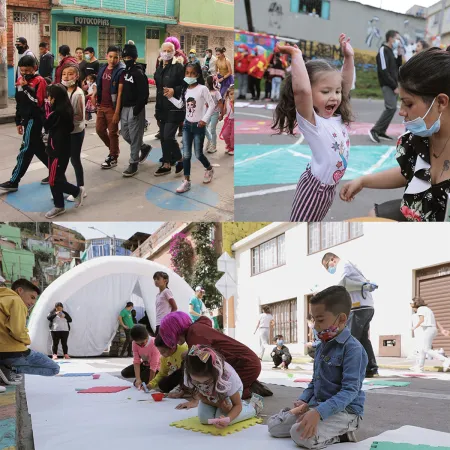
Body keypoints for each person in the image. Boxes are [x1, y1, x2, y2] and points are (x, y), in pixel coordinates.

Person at [341, 48, 450, 222]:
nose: (401, 112)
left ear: (441, 102)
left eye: (408, 104)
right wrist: (363, 181)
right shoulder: (419, 140)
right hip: (417, 211)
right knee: (373, 216)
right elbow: (409, 171)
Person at [267, 286, 367, 447]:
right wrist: (303, 400)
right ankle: (318, 423)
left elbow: (350, 391)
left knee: (299, 434)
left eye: (320, 320)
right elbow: (315, 382)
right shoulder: (322, 346)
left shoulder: (353, 349)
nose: (315, 326)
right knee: (274, 427)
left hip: (345, 412)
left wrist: (319, 413)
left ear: (342, 319)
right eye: (313, 320)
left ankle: (343, 435)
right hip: (316, 405)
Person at [272, 34, 355, 221]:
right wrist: (296, 55)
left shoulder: (336, 116)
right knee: (301, 225)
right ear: (311, 92)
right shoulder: (312, 122)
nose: (334, 96)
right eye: (325, 92)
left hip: (328, 189)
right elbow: (302, 90)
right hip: (314, 189)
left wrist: (348, 57)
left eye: (337, 91)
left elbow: (346, 83)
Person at [159, 311, 272, 402]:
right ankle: (249, 385)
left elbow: (202, 362)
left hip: (246, 365)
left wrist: (186, 392)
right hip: (245, 362)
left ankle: (250, 389)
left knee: (220, 397)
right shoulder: (195, 329)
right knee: (213, 393)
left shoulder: (194, 334)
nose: (177, 342)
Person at [321, 252, 379, 377]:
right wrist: (363, 286)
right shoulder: (350, 268)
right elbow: (347, 286)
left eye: (327, 266)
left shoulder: (343, 264)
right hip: (367, 306)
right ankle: (371, 369)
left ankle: (351, 370)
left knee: (351, 339)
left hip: (358, 308)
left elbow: (340, 285)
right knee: (363, 339)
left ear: (332, 259)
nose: (328, 269)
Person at [179, 345, 264, 428]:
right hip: (211, 396)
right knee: (205, 419)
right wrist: (218, 404)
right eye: (197, 382)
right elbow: (201, 397)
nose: (202, 385)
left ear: (215, 374)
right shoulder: (189, 374)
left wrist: (229, 419)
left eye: (207, 381)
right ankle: (220, 408)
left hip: (228, 394)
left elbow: (237, 405)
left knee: (225, 419)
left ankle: (253, 407)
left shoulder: (227, 378)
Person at [0, 56, 49, 193]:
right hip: (26, 119)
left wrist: (26, 87)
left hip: (35, 119)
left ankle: (14, 181)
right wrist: (18, 121)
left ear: (35, 68)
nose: (24, 74)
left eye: (27, 71)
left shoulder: (40, 81)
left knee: (26, 150)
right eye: (22, 71)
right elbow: (19, 102)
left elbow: (38, 103)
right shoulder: (20, 81)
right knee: (38, 148)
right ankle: (55, 172)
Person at [0, 279, 60, 385]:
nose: (32, 302)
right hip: (11, 352)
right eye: (32, 297)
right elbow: (17, 331)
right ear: (20, 291)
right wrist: (27, 340)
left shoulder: (4, 299)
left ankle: (7, 368)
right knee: (54, 369)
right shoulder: (16, 301)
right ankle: (11, 369)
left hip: (3, 350)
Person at [168, 63, 215, 193]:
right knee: (186, 155)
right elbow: (179, 105)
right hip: (187, 126)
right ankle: (186, 181)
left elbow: (211, 105)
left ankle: (209, 168)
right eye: (187, 73)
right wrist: (170, 97)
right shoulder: (185, 90)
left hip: (199, 126)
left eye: (192, 73)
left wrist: (204, 120)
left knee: (198, 154)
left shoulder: (202, 89)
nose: (189, 75)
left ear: (197, 75)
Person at [44, 84, 85, 218]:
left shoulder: (58, 113)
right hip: (54, 150)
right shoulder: (62, 110)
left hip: (58, 152)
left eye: (49, 96)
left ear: (54, 98)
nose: (47, 98)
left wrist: (47, 110)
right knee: (55, 177)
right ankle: (59, 205)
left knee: (54, 180)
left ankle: (76, 191)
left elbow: (47, 124)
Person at [120, 40, 152, 177]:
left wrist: (137, 109)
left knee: (134, 136)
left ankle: (133, 163)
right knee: (125, 134)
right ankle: (143, 147)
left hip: (135, 108)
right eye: (125, 58)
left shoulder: (139, 73)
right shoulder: (124, 71)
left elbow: (144, 94)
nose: (127, 60)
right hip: (124, 108)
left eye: (129, 58)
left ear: (134, 58)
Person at [154, 41, 185, 175]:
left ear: (174, 52)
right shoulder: (159, 66)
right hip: (161, 107)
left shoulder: (178, 67)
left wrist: (174, 90)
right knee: (163, 137)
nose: (166, 53)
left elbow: (186, 85)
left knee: (168, 136)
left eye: (169, 51)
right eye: (164, 50)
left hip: (174, 107)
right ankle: (166, 163)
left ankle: (180, 158)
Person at [60, 65, 87, 203]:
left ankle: (80, 188)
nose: (66, 76)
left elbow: (79, 117)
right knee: (64, 160)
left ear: (76, 77)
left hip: (75, 132)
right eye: (64, 74)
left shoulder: (78, 94)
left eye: (70, 74)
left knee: (75, 159)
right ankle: (62, 188)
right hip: (65, 132)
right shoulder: (63, 91)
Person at [368, 30, 401, 143]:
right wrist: (393, 86)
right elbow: (383, 70)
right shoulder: (383, 50)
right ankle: (375, 130)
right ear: (391, 38)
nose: (399, 41)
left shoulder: (391, 51)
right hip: (388, 84)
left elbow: (397, 67)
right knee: (391, 107)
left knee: (392, 108)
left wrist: (400, 54)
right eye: (397, 38)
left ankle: (381, 131)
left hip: (394, 84)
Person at [97, 46, 126, 169]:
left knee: (113, 132)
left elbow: (120, 93)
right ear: (106, 56)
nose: (112, 60)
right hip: (101, 105)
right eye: (110, 56)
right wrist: (94, 94)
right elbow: (99, 85)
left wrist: (117, 112)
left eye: (116, 57)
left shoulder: (121, 71)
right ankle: (113, 150)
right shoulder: (103, 68)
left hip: (112, 107)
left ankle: (113, 156)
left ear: (119, 58)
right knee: (99, 130)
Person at [410, 297, 450, 373]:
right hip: (432, 329)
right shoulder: (427, 309)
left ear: (415, 304)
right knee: (423, 349)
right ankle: (420, 367)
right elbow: (435, 320)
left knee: (426, 349)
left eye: (412, 303)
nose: (411, 306)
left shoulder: (420, 309)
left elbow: (421, 320)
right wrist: (441, 329)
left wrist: (414, 327)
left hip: (428, 329)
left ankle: (446, 360)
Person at [204, 75, 223, 154]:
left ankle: (214, 146)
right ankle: (210, 140)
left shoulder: (216, 92)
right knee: (204, 127)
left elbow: (220, 102)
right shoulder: (206, 92)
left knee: (212, 129)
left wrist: (221, 113)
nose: (205, 83)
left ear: (209, 83)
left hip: (215, 113)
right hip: (207, 113)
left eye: (206, 82)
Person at [219, 84, 235, 155]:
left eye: (234, 94)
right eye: (231, 94)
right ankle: (228, 145)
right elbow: (225, 109)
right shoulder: (227, 100)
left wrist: (232, 104)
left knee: (232, 136)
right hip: (228, 120)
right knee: (225, 134)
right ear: (228, 94)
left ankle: (232, 148)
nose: (233, 96)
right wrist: (221, 115)